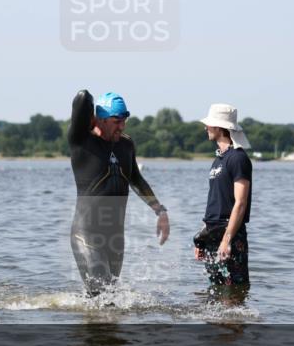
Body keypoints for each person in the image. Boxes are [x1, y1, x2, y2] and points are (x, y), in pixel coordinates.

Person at [68, 90, 169, 295]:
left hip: (115, 238)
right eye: (116, 121)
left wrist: (159, 210)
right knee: (101, 294)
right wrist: (91, 117)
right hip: (86, 235)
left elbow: (136, 179)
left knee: (110, 298)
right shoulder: (82, 143)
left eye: (124, 121)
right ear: (100, 120)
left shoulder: (126, 145)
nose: (121, 126)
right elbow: (82, 97)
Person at [193, 104, 252, 287]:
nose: (206, 128)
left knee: (233, 291)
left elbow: (240, 203)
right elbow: (215, 201)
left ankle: (238, 317)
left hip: (230, 234)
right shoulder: (218, 160)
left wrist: (227, 240)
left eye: (209, 124)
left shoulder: (238, 158)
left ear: (219, 127)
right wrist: (202, 238)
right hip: (212, 234)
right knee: (216, 291)